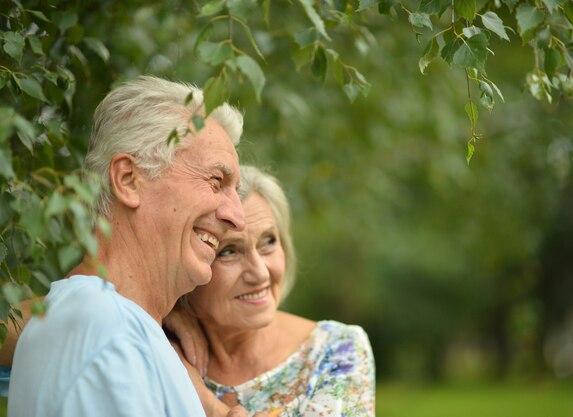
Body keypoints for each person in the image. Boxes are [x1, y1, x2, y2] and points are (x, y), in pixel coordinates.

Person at [7, 76, 258, 417]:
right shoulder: (106, 328)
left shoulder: (111, 324)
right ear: (128, 180)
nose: (237, 219)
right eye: (216, 182)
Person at [167, 165, 376, 416]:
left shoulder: (335, 351)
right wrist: (160, 312)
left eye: (268, 242)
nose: (261, 273)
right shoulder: (155, 344)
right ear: (184, 264)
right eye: (229, 251)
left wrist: (205, 403)